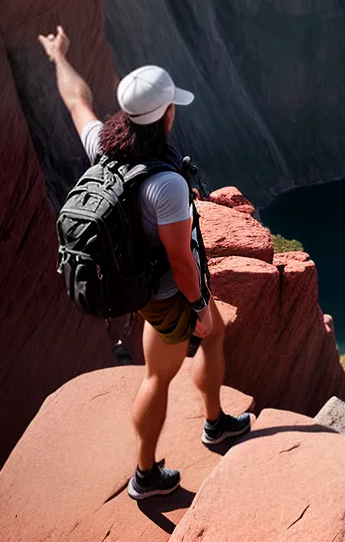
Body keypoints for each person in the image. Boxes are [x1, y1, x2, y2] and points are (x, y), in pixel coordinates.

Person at [38, 25, 251, 500]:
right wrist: (197, 308)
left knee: (163, 357)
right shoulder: (166, 185)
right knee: (200, 344)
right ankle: (155, 467)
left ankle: (205, 426)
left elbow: (78, 102)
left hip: (135, 284)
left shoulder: (104, 148)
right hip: (167, 293)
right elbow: (180, 258)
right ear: (167, 116)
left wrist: (59, 58)